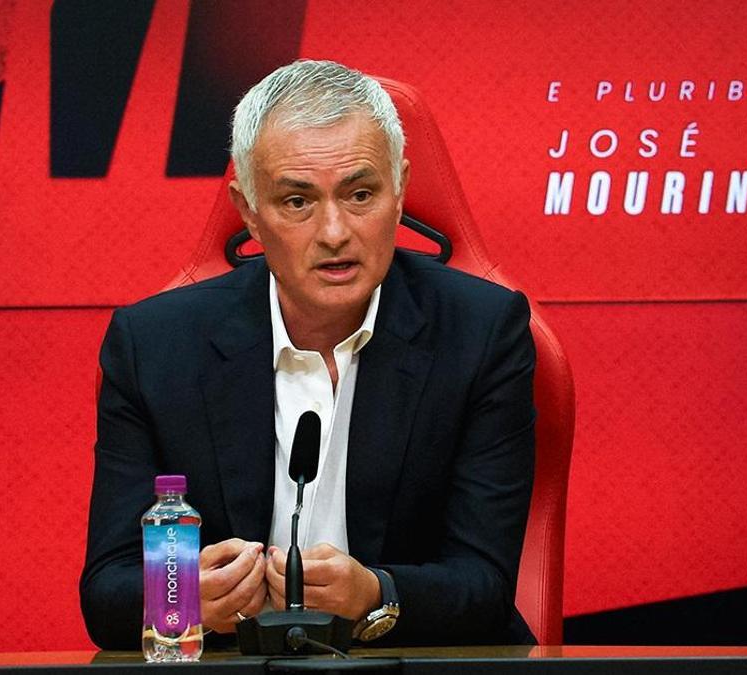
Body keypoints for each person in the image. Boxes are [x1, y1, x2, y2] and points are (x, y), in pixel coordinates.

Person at [80, 60, 536, 648]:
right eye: (297, 202)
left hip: (410, 663)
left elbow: (485, 585)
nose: (334, 232)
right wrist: (187, 595)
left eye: (361, 194)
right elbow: (107, 593)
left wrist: (375, 593)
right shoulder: (154, 346)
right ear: (248, 209)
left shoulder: (481, 334)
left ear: (400, 190)